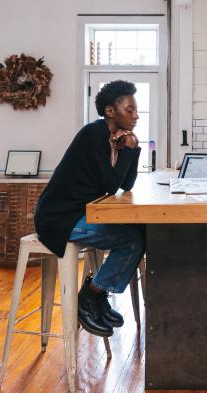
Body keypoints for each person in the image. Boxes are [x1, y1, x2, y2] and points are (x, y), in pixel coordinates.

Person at [34, 80, 145, 338]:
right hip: (60, 219)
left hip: (80, 213)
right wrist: (128, 150)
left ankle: (95, 297)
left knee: (140, 231)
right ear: (110, 111)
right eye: (130, 109)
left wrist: (133, 148)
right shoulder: (93, 134)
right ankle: (89, 297)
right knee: (131, 240)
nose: (136, 115)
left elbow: (126, 183)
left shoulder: (111, 138)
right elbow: (110, 186)